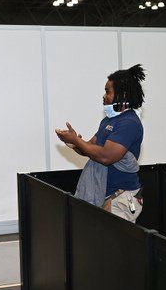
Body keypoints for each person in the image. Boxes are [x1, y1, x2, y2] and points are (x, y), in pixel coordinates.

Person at [55, 65, 146, 223]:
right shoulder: (108, 121)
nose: (104, 96)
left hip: (120, 198)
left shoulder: (129, 122)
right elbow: (91, 148)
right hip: (102, 196)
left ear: (123, 94)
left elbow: (106, 156)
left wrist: (77, 141)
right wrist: (75, 143)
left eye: (108, 91)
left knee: (114, 246)